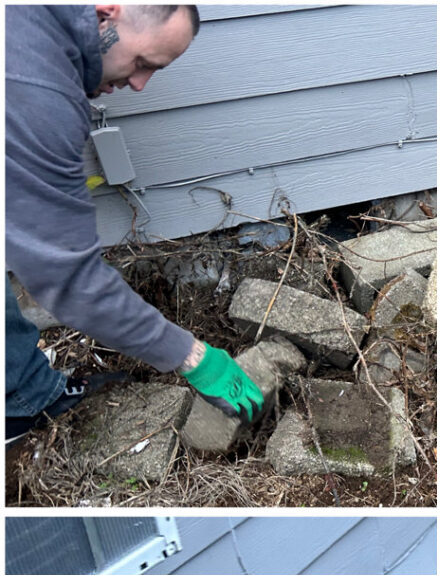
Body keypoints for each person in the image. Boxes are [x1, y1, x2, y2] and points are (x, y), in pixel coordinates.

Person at [6, 5, 263, 445]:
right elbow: (71, 279)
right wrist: (194, 358)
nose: (140, 85)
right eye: (143, 63)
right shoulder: (37, 94)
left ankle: (22, 397)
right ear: (107, 13)